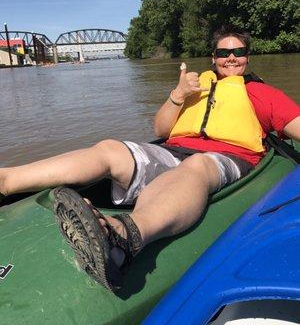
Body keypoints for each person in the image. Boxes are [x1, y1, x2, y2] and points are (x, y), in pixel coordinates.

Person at [1, 26, 300, 293]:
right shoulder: (195, 89)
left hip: (226, 157)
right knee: (110, 149)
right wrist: (178, 94)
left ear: (248, 57)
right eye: (224, 52)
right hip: (174, 150)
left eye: (238, 52)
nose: (231, 58)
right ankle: (8, 180)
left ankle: (123, 237)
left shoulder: (262, 94)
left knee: (196, 166)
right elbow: (161, 129)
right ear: (213, 57)